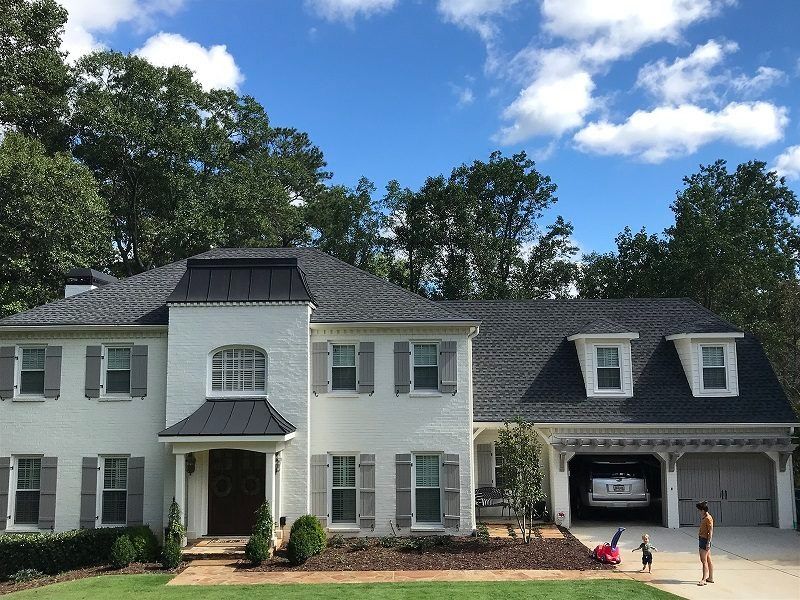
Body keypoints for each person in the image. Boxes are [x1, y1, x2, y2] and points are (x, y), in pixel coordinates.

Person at [697, 501, 714, 586]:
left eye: (699, 510)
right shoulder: (705, 517)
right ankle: (710, 577)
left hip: (704, 540)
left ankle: (703, 579)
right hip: (703, 539)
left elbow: (710, 532)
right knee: (708, 559)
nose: (698, 511)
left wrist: (708, 543)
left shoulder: (708, 518)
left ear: (703, 510)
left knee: (703, 561)